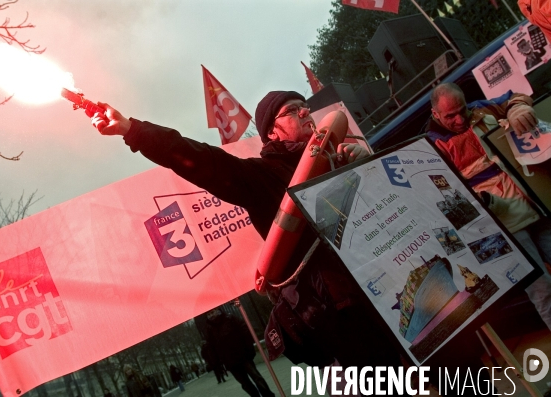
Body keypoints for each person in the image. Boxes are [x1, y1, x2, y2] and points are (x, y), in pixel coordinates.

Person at [89, 91, 405, 392]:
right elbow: (200, 159)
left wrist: (367, 163)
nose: (305, 112)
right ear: (272, 132)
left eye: (304, 105)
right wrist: (134, 130)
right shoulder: (262, 176)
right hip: (346, 316)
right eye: (293, 110)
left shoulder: (340, 157)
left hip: (393, 288)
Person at [427, 82, 551, 331]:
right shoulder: (431, 146)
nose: (460, 119)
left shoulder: (482, 110)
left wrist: (516, 109)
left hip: (534, 206)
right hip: (502, 226)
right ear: (435, 114)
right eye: (450, 116)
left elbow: (516, 97)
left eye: (462, 110)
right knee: (543, 291)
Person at [205, 308, 274, 397]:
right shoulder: (210, 330)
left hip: (243, 355)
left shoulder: (230, 318)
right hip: (230, 362)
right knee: (245, 384)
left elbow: (245, 331)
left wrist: (249, 349)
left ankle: (268, 395)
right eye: (209, 314)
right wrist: (218, 364)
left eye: (212, 312)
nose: (212, 315)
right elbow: (212, 348)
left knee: (257, 378)